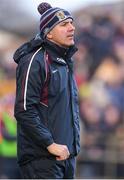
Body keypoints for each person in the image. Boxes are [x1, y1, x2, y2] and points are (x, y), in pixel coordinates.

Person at [13, 2, 80, 179]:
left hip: (65, 158)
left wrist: (72, 149)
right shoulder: (34, 60)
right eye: (64, 24)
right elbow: (24, 110)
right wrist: (50, 144)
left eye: (71, 22)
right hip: (42, 159)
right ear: (48, 33)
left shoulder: (65, 62)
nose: (71, 27)